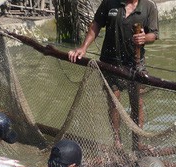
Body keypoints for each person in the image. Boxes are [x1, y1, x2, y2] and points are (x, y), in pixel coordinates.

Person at [67, 0, 159, 140]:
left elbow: (154, 34)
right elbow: (96, 24)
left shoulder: (149, 6)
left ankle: (138, 141)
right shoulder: (110, 3)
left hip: (135, 63)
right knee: (113, 103)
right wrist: (83, 47)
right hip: (110, 62)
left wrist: (144, 38)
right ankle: (117, 140)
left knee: (137, 103)